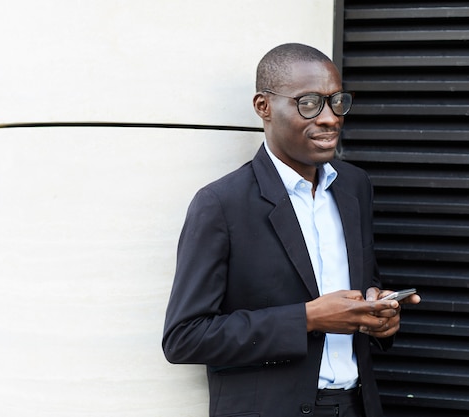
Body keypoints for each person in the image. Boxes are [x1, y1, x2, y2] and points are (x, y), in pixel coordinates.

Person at [162, 43, 421, 417]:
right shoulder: (221, 204)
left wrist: (379, 314)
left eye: (337, 101)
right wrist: (308, 318)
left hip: (356, 405)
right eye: (309, 103)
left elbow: (366, 283)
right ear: (263, 107)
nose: (330, 118)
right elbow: (184, 338)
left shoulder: (355, 187)